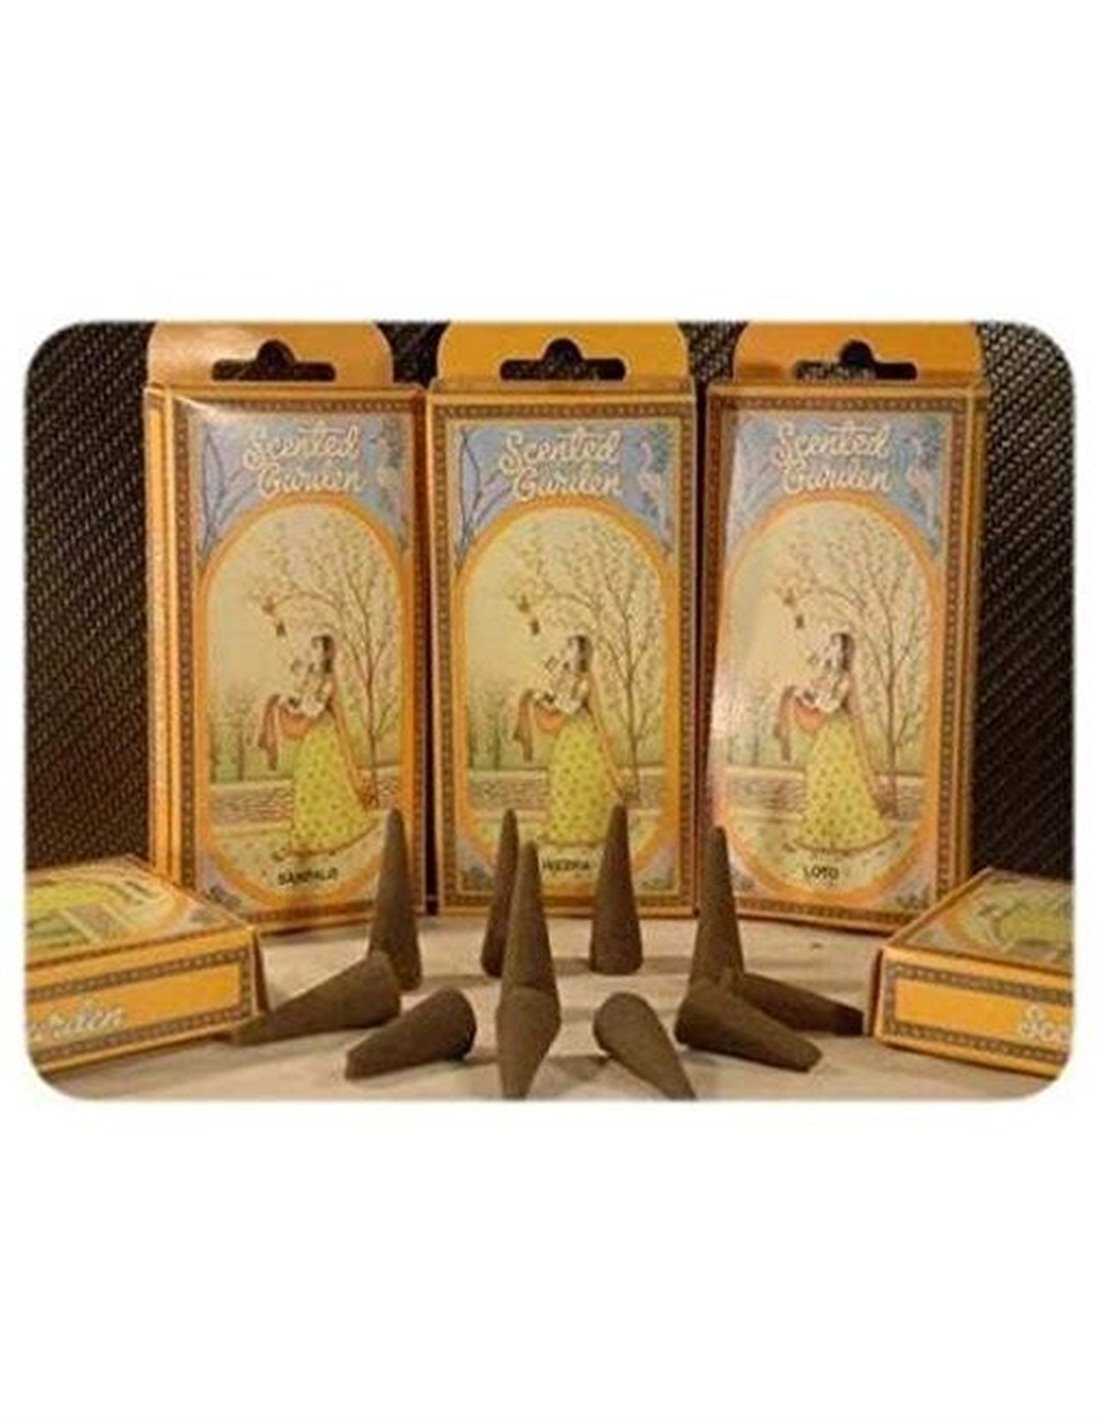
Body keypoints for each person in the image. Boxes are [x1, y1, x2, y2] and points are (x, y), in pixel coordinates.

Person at [257, 632, 375, 858]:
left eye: (316, 648)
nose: (311, 651)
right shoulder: (309, 673)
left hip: (324, 739)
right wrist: (278, 624)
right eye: (311, 647)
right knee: (304, 784)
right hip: (311, 737)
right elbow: (288, 654)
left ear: (325, 654)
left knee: (325, 786)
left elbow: (313, 710)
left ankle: (324, 839)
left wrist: (288, 708)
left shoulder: (328, 682)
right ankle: (303, 840)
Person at [774, 627, 891, 854]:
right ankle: (821, 837)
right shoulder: (825, 673)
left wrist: (807, 698)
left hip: (839, 734)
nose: (828, 648)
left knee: (840, 780)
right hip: (827, 731)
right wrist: (797, 615)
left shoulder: (845, 679)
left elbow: (829, 706)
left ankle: (847, 839)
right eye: (829, 644)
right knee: (817, 774)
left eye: (833, 644)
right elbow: (806, 651)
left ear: (843, 652)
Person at [513, 633, 621, 846]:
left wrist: (542, 700)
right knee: (560, 774)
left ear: (581, 654)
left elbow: (569, 708)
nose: (565, 648)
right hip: (567, 735)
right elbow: (542, 654)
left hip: (582, 736)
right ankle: (565, 831)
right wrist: (533, 623)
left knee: (582, 778)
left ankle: (589, 832)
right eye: (567, 644)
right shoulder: (562, 672)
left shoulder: (585, 681)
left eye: (570, 646)